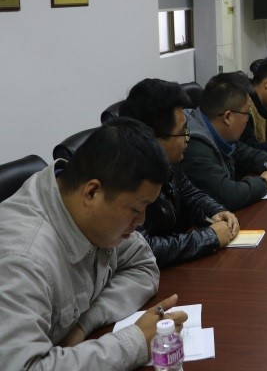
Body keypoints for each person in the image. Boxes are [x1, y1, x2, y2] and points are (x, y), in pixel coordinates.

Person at [0, 118, 189, 369]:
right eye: (136, 209)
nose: (141, 221)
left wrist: (83, 323)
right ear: (92, 192)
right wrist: (135, 341)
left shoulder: (90, 214)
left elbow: (143, 264)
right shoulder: (23, 259)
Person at [120, 79, 241, 268]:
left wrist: (217, 211)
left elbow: (191, 194)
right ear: (153, 138)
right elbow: (145, 248)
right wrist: (210, 237)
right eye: (182, 131)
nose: (188, 138)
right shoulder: (124, 179)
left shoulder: (170, 162)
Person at [181, 71, 267, 211]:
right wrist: (266, 182)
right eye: (247, 114)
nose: (247, 120)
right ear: (228, 117)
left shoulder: (219, 134)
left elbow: (249, 154)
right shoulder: (194, 144)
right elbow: (228, 195)